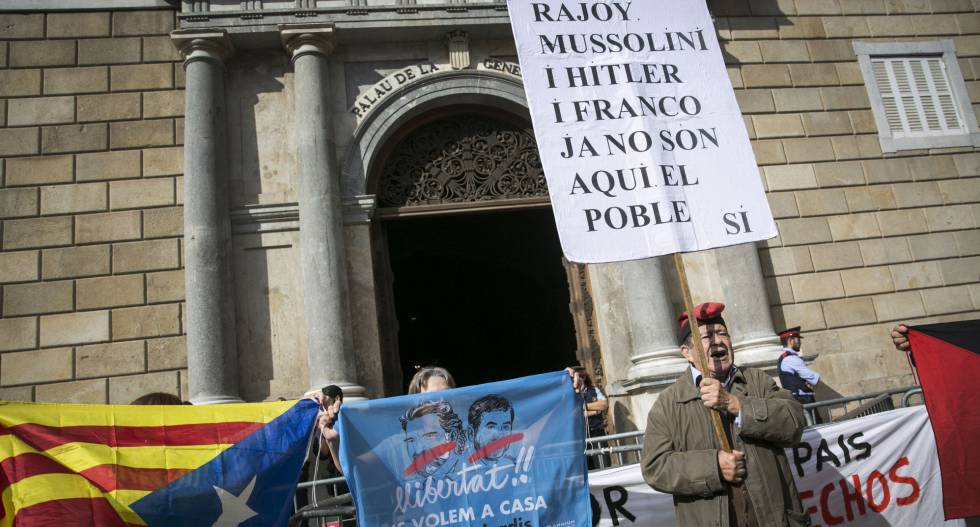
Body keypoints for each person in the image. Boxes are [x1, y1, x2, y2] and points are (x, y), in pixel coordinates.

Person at [641, 302, 809, 527]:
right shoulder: (668, 404)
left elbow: (794, 423)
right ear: (687, 353)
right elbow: (655, 467)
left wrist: (735, 404)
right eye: (706, 337)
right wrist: (714, 467)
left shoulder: (757, 381)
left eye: (722, 333)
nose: (717, 341)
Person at [400, 400, 466, 480]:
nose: (417, 451)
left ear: (452, 436)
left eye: (430, 436)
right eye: (410, 440)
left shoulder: (469, 466)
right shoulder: (406, 479)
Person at [467, 395, 517, 468]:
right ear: (471, 433)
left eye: (505, 427)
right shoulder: (455, 470)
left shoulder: (517, 467)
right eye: (491, 427)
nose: (499, 435)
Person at [775, 327, 821, 406]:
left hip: (797, 401)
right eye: (798, 339)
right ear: (791, 341)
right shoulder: (791, 358)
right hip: (803, 401)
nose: (800, 342)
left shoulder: (784, 357)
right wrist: (811, 381)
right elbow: (814, 379)